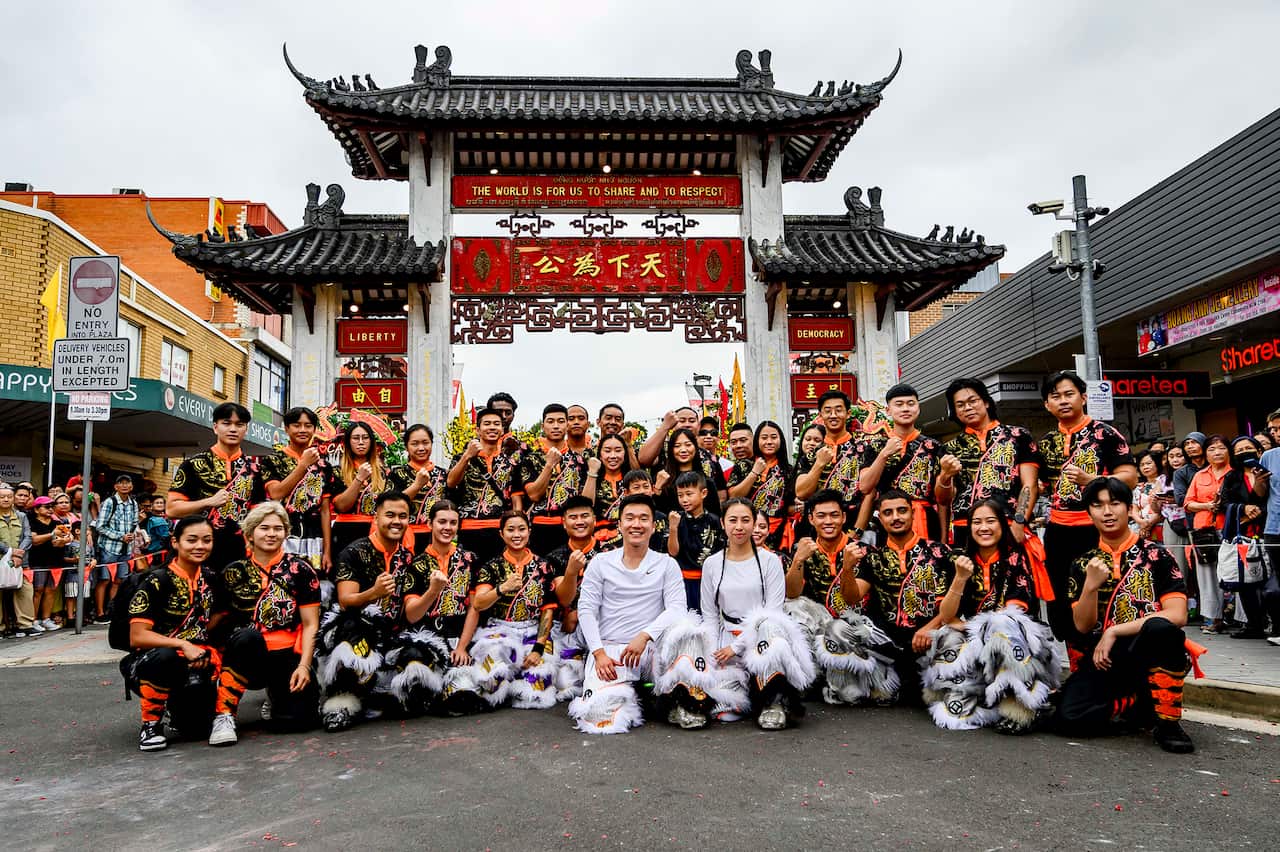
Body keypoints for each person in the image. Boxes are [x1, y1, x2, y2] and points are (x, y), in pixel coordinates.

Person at [1054, 477, 1196, 754]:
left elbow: (1178, 615)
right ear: (1089, 512)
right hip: (1104, 660)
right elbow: (1082, 627)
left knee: (1162, 628)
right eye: (1098, 505)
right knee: (1067, 719)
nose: (1107, 512)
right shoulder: (1082, 562)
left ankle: (1168, 722)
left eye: (1114, 503)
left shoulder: (1157, 555)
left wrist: (1115, 630)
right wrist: (1090, 587)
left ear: (1128, 508)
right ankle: (1139, 703)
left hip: (1146, 650)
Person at [921, 500, 1059, 732]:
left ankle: (1021, 707)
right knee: (948, 636)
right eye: (977, 522)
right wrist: (960, 578)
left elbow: (1014, 613)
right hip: (978, 642)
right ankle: (974, 696)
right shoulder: (958, 560)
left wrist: (971, 628)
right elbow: (946, 615)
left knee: (1003, 626)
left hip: (1017, 645)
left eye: (990, 521)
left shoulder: (1017, 557)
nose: (983, 527)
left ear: (1002, 525)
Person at [317, 491, 451, 731]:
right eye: (390, 515)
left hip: (393, 633)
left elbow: (411, 613)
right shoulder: (353, 552)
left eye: (403, 516)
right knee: (352, 631)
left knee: (418, 656)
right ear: (376, 516)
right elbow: (346, 601)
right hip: (357, 629)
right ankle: (342, 701)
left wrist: (432, 591)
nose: (396, 521)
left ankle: (383, 693)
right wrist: (374, 593)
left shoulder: (408, 557)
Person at [122, 516, 254, 752]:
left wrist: (207, 646)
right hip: (158, 660)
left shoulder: (212, 578)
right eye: (191, 540)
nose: (200, 546)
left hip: (199, 661)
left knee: (195, 728)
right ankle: (151, 724)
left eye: (206, 540)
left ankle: (222, 715)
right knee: (166, 655)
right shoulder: (157, 581)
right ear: (175, 542)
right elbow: (138, 636)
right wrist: (183, 644)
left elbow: (218, 617)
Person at [568, 494, 688, 734]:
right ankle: (635, 695)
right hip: (611, 652)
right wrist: (599, 653)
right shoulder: (600, 563)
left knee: (689, 635)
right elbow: (587, 609)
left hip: (650, 649)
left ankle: (678, 701)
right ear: (619, 524)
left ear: (654, 526)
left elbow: (677, 608)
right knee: (600, 718)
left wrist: (644, 636)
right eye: (630, 518)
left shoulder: (667, 564)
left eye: (644, 519)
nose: (637, 524)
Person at [1038, 371, 1138, 638]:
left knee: (1098, 589)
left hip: (1097, 529)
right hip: (1058, 529)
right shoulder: (1046, 442)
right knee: (1059, 595)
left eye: (1069, 394)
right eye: (1055, 397)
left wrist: (1092, 480)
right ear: (1047, 405)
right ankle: (1073, 659)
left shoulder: (1105, 434)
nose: (1063, 401)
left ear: (1083, 397)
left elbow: (1129, 477)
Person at [699, 499, 814, 729]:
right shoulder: (712, 564)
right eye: (732, 520)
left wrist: (738, 647)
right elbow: (710, 614)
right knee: (726, 709)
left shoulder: (770, 561)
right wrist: (713, 649)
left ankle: (774, 702)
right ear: (722, 523)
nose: (739, 526)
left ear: (755, 524)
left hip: (763, 635)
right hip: (727, 636)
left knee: (771, 635)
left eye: (745, 520)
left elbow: (773, 610)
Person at [214, 502, 322, 744]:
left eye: (278, 528)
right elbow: (217, 619)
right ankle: (224, 713)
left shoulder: (300, 569)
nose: (271, 533)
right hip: (244, 653)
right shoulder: (232, 572)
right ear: (250, 533)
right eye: (264, 528)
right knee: (247, 637)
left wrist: (304, 666)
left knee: (297, 720)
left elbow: (311, 624)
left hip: (286, 655)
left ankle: (276, 695)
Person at [844, 489, 957, 706]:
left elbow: (956, 604)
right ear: (880, 517)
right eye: (888, 513)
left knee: (954, 640)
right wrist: (848, 569)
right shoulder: (873, 556)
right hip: (890, 643)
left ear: (913, 513)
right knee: (839, 631)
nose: (896, 517)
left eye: (902, 511)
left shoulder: (940, 552)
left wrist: (930, 628)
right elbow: (852, 597)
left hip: (929, 640)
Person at [451, 510, 560, 709]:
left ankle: (519, 676)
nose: (516, 535)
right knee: (492, 681)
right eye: (510, 530)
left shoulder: (544, 566)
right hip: (500, 630)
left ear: (529, 531)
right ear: (501, 533)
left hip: (532, 631)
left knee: (535, 692)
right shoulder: (491, 567)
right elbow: (479, 603)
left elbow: (547, 610)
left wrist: (538, 648)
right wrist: (502, 588)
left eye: (521, 529)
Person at [935, 378, 1040, 548]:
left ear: (986, 402)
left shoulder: (1018, 436)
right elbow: (943, 499)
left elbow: (1029, 485)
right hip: (966, 527)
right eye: (960, 405)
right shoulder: (949, 448)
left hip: (1008, 523)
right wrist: (945, 476)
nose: (967, 408)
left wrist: (1020, 521)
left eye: (973, 401)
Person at [167, 402, 263, 574]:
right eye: (227, 423)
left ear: (246, 429)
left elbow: (258, 516)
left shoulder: (255, 470)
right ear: (215, 427)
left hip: (240, 552)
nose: (233, 429)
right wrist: (209, 502)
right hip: (198, 548)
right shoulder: (193, 465)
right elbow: (172, 509)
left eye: (239, 424)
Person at [260, 407, 340, 577]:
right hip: (282, 531)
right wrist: (303, 465)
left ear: (315, 430)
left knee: (312, 582)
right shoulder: (273, 460)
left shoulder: (324, 466)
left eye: (308, 425)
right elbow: (276, 493)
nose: (303, 430)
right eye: (296, 425)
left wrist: (327, 551)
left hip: (313, 535)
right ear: (286, 428)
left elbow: (325, 510)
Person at [859, 384, 944, 540]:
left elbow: (943, 499)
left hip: (925, 518)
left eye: (910, 404)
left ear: (918, 408)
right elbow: (864, 486)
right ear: (888, 410)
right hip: (885, 519)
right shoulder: (876, 446)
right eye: (899, 404)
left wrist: (944, 539)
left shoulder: (934, 446)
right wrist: (884, 454)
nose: (905, 409)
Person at [448, 407, 523, 566]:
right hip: (469, 528)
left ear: (502, 429)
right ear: (478, 430)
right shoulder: (462, 457)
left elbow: (516, 496)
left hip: (500, 530)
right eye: (487, 424)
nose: (492, 427)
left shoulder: (510, 462)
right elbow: (451, 482)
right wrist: (467, 456)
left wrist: (517, 524)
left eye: (496, 424)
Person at [794, 391, 873, 536]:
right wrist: (819, 464)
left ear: (848, 413)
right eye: (828, 411)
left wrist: (857, 531)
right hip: (816, 529)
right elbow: (801, 492)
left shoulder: (863, 448)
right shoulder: (812, 454)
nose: (833, 415)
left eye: (838, 410)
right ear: (820, 415)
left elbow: (869, 492)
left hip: (853, 526)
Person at [519, 404, 590, 555]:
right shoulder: (531, 459)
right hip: (539, 527)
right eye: (551, 421)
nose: (556, 426)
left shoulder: (580, 461)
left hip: (571, 528)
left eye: (561, 421)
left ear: (567, 425)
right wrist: (549, 464)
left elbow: (584, 499)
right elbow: (534, 495)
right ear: (543, 426)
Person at [1218, 436, 1270, 639]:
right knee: (1245, 580)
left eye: (1248, 448)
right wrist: (1243, 509)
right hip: (1242, 534)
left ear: (1258, 451)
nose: (1244, 452)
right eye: (1239, 450)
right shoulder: (1232, 477)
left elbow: (1271, 499)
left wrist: (1259, 488)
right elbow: (1225, 503)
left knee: (1269, 581)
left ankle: (1273, 622)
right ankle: (1254, 625)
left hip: (1268, 530)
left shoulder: (1268, 472)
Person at [1184, 434, 1233, 634]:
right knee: (1207, 575)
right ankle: (1213, 617)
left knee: (1232, 572)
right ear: (1206, 454)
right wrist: (1207, 505)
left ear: (1229, 451)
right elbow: (1187, 503)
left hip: (1230, 528)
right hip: (1204, 530)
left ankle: (1239, 617)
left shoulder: (1235, 473)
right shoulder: (1200, 475)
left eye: (1221, 448)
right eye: (1211, 449)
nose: (1216, 452)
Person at [639, 408, 728, 507]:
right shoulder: (662, 450)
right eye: (681, 421)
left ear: (698, 426)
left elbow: (721, 496)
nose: (687, 424)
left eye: (692, 421)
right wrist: (664, 426)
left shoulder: (708, 457)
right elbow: (643, 459)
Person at [727, 421, 794, 549]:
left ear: (781, 440)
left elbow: (789, 505)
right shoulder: (744, 465)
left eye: (774, 437)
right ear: (757, 440)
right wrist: (754, 472)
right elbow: (734, 496)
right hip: (747, 528)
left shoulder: (788, 471)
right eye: (764, 438)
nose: (769, 442)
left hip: (776, 531)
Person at [667, 471, 727, 611]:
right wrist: (673, 528)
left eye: (689, 494)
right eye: (680, 495)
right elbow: (673, 552)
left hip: (709, 579)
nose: (684, 499)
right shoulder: (676, 519)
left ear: (703, 493)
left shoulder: (714, 521)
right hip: (683, 579)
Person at [330, 421, 389, 559]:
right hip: (346, 533)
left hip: (376, 532)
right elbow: (341, 506)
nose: (361, 442)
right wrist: (358, 479)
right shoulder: (337, 472)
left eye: (365, 438)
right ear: (348, 442)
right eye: (356, 438)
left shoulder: (384, 473)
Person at [386, 424, 448, 551]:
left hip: (437, 536)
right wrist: (417, 485)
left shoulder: (443, 474)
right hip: (404, 535)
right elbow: (392, 505)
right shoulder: (397, 473)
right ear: (406, 447)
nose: (421, 448)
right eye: (414, 444)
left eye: (425, 443)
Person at [655, 428, 723, 517]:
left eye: (688, 445)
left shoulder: (707, 482)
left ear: (695, 447)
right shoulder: (664, 479)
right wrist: (657, 488)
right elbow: (655, 514)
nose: (683, 450)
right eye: (677, 446)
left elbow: (715, 515)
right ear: (671, 450)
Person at [27, 496, 71, 632]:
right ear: (36, 509)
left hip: (55, 561)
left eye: (51, 507)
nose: (50, 509)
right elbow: (34, 540)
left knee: (50, 590)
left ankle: (46, 619)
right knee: (38, 590)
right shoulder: (32, 522)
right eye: (46, 507)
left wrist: (62, 541)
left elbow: (65, 538)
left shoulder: (55, 522)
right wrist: (52, 535)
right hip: (38, 560)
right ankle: (33, 619)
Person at [582, 434, 630, 546]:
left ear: (625, 453)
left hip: (628, 535)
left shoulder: (631, 479)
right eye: (607, 451)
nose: (613, 456)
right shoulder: (591, 478)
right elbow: (585, 506)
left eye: (618, 451)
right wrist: (592, 473)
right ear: (600, 454)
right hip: (597, 538)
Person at [0, 484, 35, 638]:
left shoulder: (21, 516)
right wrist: (9, 551)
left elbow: (28, 536)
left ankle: (26, 625)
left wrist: (18, 554)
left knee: (25, 590)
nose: (6, 499)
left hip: (19, 561)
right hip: (1, 559)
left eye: (9, 496)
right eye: (2, 497)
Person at [1261, 409, 1280, 646]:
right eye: (1272, 429)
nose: (1275, 433)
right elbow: (1261, 494)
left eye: (1278, 428)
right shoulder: (1268, 456)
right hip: (1274, 526)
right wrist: (1259, 481)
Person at [1131, 451, 1167, 542]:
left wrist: (1147, 526)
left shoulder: (1165, 483)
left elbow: (1163, 509)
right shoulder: (1139, 487)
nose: (1145, 467)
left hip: (1161, 526)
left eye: (1149, 463)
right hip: (1139, 527)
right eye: (1142, 465)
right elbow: (1134, 509)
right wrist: (1140, 522)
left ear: (1157, 463)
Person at [698, 416, 733, 483]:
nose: (708, 436)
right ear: (696, 437)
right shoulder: (690, 464)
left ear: (718, 438)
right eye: (703, 433)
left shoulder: (728, 466)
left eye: (713, 433)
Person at [140, 495, 171, 567]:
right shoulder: (156, 520)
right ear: (151, 505)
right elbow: (165, 536)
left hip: (149, 550)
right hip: (156, 551)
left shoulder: (157, 517)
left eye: (161, 503)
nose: (160, 504)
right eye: (157, 503)